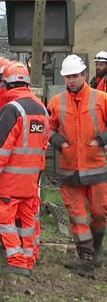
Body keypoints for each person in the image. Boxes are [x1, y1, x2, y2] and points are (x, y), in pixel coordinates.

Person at [0, 62, 50, 276]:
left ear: (7, 84)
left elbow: (2, 150)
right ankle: (30, 257)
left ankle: (16, 259)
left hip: (10, 179)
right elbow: (43, 145)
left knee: (3, 217)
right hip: (31, 179)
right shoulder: (41, 108)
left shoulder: (11, 110)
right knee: (27, 218)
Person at [47, 54, 107, 277]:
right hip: (70, 169)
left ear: (84, 75)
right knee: (78, 216)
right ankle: (87, 258)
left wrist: (101, 140)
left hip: (96, 169)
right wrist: (59, 143)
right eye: (68, 77)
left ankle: (96, 251)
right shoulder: (56, 102)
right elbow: (48, 129)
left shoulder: (102, 99)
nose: (71, 80)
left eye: (75, 76)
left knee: (100, 213)